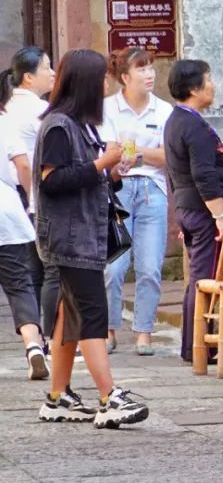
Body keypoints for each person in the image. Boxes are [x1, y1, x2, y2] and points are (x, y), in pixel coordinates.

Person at [32, 49, 149, 427]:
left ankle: (57, 396)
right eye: (101, 77)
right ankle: (108, 397)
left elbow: (83, 177)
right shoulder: (59, 125)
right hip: (69, 238)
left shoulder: (81, 125)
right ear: (84, 82)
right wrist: (100, 164)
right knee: (92, 312)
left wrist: (111, 171)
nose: (105, 84)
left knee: (69, 314)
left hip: (84, 233)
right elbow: (51, 181)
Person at [163, 59, 223, 364]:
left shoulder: (176, 121)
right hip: (204, 212)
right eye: (208, 80)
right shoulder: (193, 125)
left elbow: (174, 171)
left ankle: (193, 346)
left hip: (189, 209)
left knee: (198, 277)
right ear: (194, 88)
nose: (213, 85)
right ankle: (200, 347)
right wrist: (219, 217)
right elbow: (203, 175)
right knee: (205, 278)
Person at [100, 47, 173, 356]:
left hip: (152, 191)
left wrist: (139, 154)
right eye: (141, 69)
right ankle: (109, 329)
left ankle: (144, 332)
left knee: (150, 266)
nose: (149, 74)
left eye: (151, 68)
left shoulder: (164, 110)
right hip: (118, 191)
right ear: (125, 77)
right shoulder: (107, 109)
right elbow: (109, 152)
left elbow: (169, 156)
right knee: (113, 266)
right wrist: (124, 157)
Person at [5, 47, 57, 336]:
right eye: (47, 68)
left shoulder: (8, 106)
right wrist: (31, 198)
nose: (52, 73)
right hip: (29, 195)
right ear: (28, 77)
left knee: (24, 272)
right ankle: (47, 335)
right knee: (45, 269)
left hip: (13, 195)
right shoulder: (40, 111)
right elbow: (26, 164)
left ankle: (35, 336)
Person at [0, 75, 48, 380]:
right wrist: (31, 199)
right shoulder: (3, 124)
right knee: (20, 285)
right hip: (6, 210)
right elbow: (22, 163)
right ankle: (33, 345)